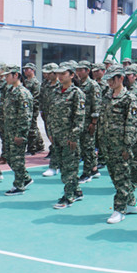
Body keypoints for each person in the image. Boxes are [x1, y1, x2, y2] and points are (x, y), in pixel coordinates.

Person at [98, 66, 137, 224]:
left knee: (122, 176)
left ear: (121, 78)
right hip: (107, 143)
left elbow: (132, 123)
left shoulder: (129, 98)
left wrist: (127, 146)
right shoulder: (107, 96)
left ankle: (119, 209)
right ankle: (131, 203)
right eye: (108, 79)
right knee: (115, 176)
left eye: (112, 79)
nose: (109, 82)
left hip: (121, 145)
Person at [50, 62, 86, 209]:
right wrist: (51, 133)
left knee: (69, 168)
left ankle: (68, 196)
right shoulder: (56, 91)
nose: (60, 76)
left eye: (63, 73)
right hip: (57, 136)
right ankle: (76, 191)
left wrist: (74, 136)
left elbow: (79, 117)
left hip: (69, 138)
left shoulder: (76, 93)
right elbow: (52, 113)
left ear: (71, 75)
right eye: (58, 73)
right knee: (63, 166)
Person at [2, 65, 34, 196]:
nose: (5, 78)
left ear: (16, 75)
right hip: (9, 131)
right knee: (10, 158)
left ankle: (19, 185)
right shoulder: (10, 90)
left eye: (7, 75)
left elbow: (25, 116)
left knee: (17, 159)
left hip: (17, 133)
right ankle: (25, 178)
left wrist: (20, 134)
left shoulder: (23, 93)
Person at [76, 61, 102, 184]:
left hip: (89, 121)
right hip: (82, 120)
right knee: (87, 146)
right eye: (77, 70)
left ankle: (87, 173)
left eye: (81, 70)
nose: (78, 72)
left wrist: (94, 122)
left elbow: (97, 104)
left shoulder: (92, 85)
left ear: (87, 71)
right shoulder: (79, 84)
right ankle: (94, 169)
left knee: (87, 147)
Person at [40, 63, 60, 177]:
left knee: (57, 141)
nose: (46, 75)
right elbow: (42, 98)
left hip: (59, 117)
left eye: (49, 73)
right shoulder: (46, 84)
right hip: (48, 116)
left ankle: (54, 166)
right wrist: (42, 111)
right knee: (52, 139)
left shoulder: (60, 85)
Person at [23, 63, 45, 155]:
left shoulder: (35, 83)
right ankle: (39, 144)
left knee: (31, 128)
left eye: (27, 69)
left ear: (33, 70)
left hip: (32, 108)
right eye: (24, 69)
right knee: (33, 127)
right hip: (25, 108)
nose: (25, 71)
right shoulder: (25, 81)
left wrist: (33, 109)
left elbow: (36, 98)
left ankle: (32, 148)